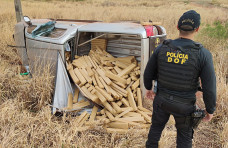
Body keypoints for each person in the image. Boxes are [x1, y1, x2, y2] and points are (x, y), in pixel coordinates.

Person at [144, 10, 216, 148]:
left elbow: (148, 72)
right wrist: (210, 110)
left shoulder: (162, 48)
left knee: (155, 129)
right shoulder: (203, 54)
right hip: (185, 107)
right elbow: (210, 87)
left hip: (161, 101)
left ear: (177, 27)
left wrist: (149, 88)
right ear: (197, 29)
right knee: (184, 139)